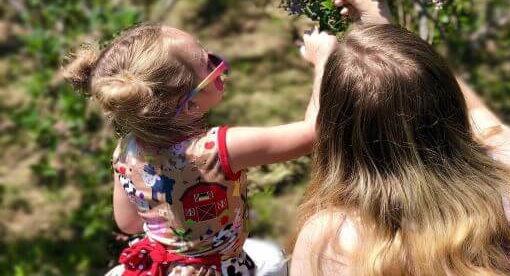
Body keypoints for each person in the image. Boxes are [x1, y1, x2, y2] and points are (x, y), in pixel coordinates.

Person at [289, 0, 510, 276]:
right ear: (449, 103)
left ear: (336, 132)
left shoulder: (333, 239)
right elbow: (478, 111)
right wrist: (395, 38)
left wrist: (322, 67)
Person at [63, 24, 336, 276]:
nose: (218, 63)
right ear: (190, 105)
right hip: (220, 269)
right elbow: (314, 132)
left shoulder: (126, 150)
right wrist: (323, 60)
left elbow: (129, 224)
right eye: (208, 63)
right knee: (275, 259)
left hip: (158, 268)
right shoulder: (219, 148)